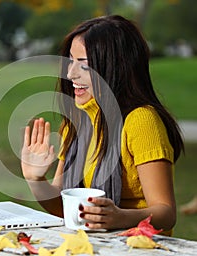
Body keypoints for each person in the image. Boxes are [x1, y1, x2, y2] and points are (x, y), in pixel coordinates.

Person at [21, 15, 184, 235]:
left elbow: (166, 213)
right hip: (95, 244)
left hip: (140, 246)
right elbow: (64, 210)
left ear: (115, 68)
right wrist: (36, 179)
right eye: (71, 61)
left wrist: (119, 217)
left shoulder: (140, 121)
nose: (70, 74)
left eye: (84, 65)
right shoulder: (76, 123)